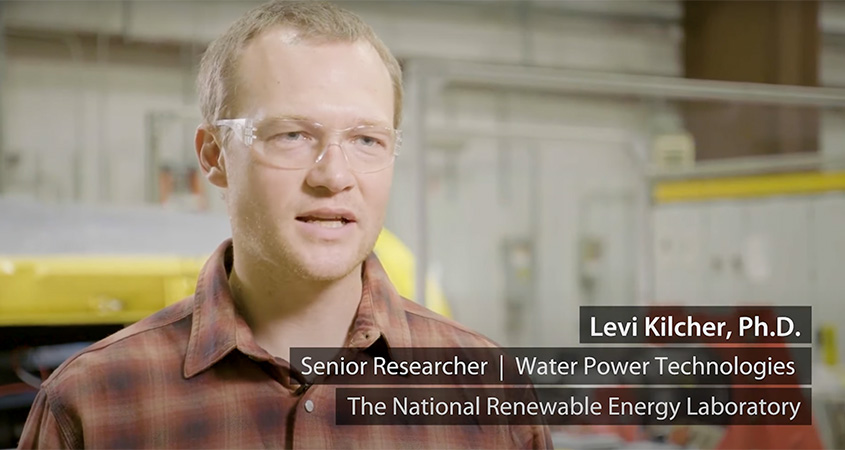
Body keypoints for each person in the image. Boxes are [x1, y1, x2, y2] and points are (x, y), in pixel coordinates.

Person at [17, 1, 551, 448]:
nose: (335, 176)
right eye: (291, 135)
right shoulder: (95, 403)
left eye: (367, 140)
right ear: (213, 155)